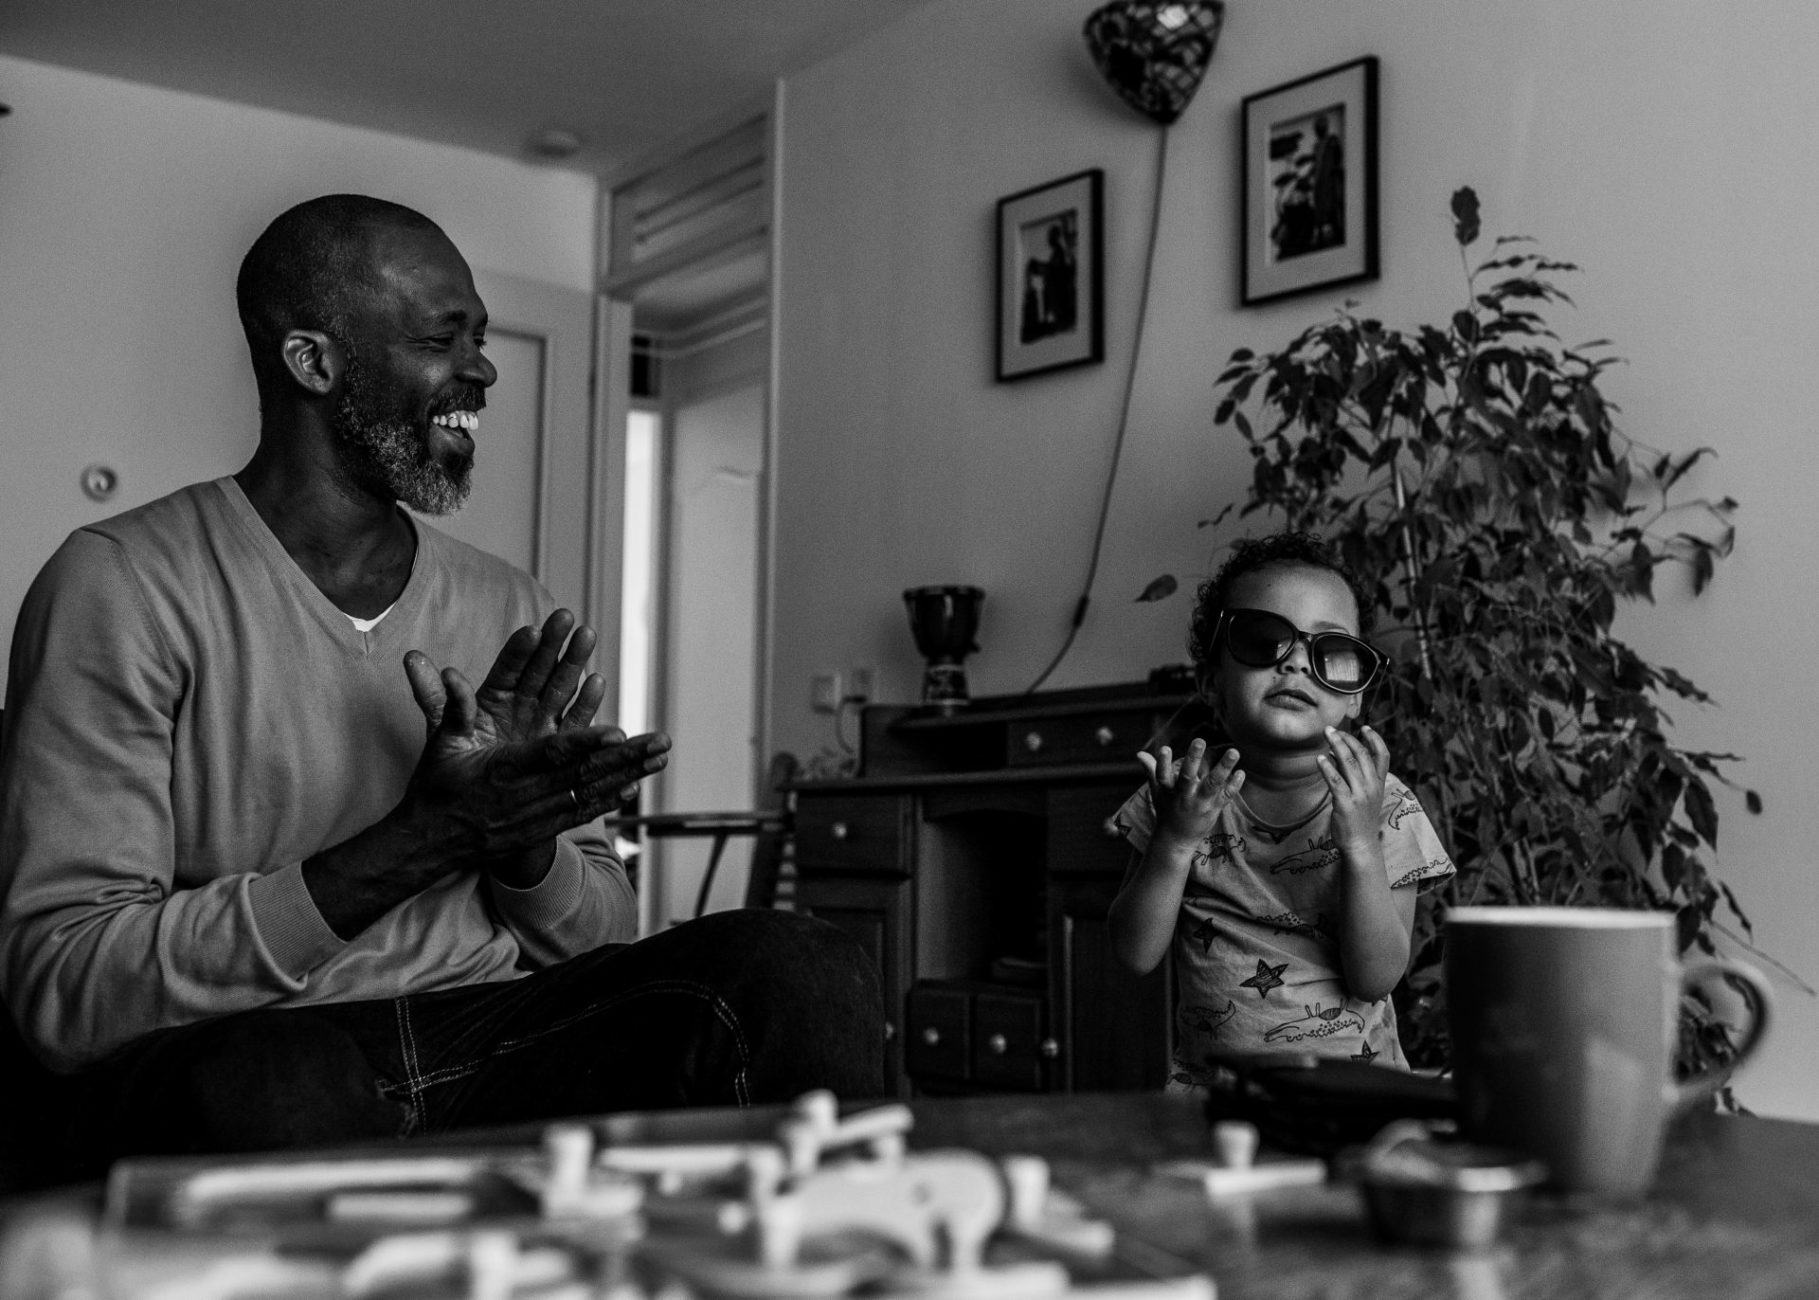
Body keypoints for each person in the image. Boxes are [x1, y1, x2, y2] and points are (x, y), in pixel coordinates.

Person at [0, 194, 882, 1173]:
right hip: (264, 1042)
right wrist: (419, 842)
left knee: (800, 969)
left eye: (482, 336)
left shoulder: (507, 602)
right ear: (313, 361)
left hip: (487, 1034)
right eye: (443, 337)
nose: (483, 369)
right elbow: (64, 992)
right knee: (284, 1082)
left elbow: (597, 931)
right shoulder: (124, 583)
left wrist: (520, 841)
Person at [1107, 532, 1453, 1089]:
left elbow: (1377, 977)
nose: (1295, 663)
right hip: (1212, 1100)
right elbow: (1133, 954)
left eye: (1331, 653)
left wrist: (1362, 844)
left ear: (1356, 694)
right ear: (1211, 681)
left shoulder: (1384, 805)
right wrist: (1174, 842)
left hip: (1355, 1100)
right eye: (1262, 639)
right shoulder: (1180, 796)